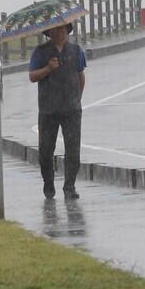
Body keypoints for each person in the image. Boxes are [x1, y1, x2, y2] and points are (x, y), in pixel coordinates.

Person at [29, 22, 86, 200]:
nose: (61, 32)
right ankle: (48, 184)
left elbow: (80, 75)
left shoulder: (76, 51)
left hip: (71, 109)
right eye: (56, 29)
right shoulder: (41, 52)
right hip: (48, 109)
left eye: (63, 29)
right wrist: (48, 68)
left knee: (73, 151)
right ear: (50, 32)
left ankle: (69, 187)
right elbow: (32, 76)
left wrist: (77, 99)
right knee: (46, 151)